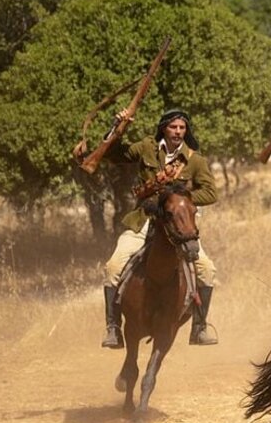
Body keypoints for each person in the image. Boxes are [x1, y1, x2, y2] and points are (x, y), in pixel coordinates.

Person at [83, 108, 220, 348]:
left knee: (207, 270)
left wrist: (179, 201)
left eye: (182, 128)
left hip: (176, 226)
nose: (178, 132)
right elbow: (116, 154)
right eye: (173, 127)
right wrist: (117, 127)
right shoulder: (147, 147)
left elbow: (210, 193)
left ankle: (199, 328)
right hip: (144, 220)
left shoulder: (194, 160)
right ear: (164, 128)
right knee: (113, 266)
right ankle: (113, 328)